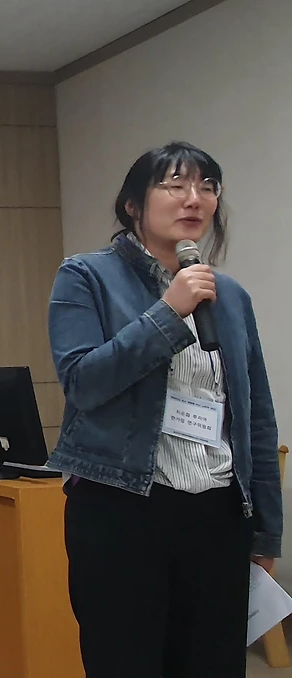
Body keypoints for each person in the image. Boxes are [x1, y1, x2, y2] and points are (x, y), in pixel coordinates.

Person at [46, 141, 282, 677]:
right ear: (133, 204)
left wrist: (266, 529)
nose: (194, 198)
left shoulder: (230, 295)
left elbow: (256, 418)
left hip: (219, 515)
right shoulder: (85, 276)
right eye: (175, 185)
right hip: (122, 510)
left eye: (207, 187)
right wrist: (169, 312)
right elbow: (83, 384)